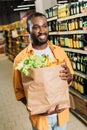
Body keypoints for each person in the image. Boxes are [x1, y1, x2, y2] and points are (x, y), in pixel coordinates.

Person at [13, 12, 74, 130]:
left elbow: (70, 78)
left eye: (44, 26)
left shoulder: (59, 52)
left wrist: (69, 76)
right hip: (40, 119)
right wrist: (37, 107)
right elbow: (19, 91)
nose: (42, 31)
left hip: (61, 114)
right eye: (36, 27)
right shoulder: (21, 59)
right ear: (28, 30)